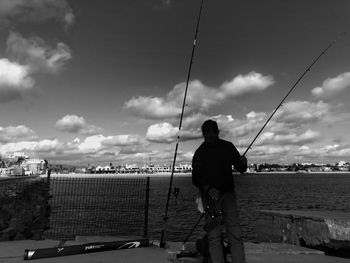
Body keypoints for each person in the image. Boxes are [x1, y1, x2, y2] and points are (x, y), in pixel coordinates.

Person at [192, 119, 247, 263]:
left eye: (212, 136)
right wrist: (208, 188)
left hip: (228, 195)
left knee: (235, 233)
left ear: (217, 133)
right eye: (206, 136)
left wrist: (244, 163)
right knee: (214, 236)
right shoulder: (200, 152)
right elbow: (196, 178)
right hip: (210, 198)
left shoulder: (228, 147)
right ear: (203, 134)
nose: (209, 139)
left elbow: (241, 169)